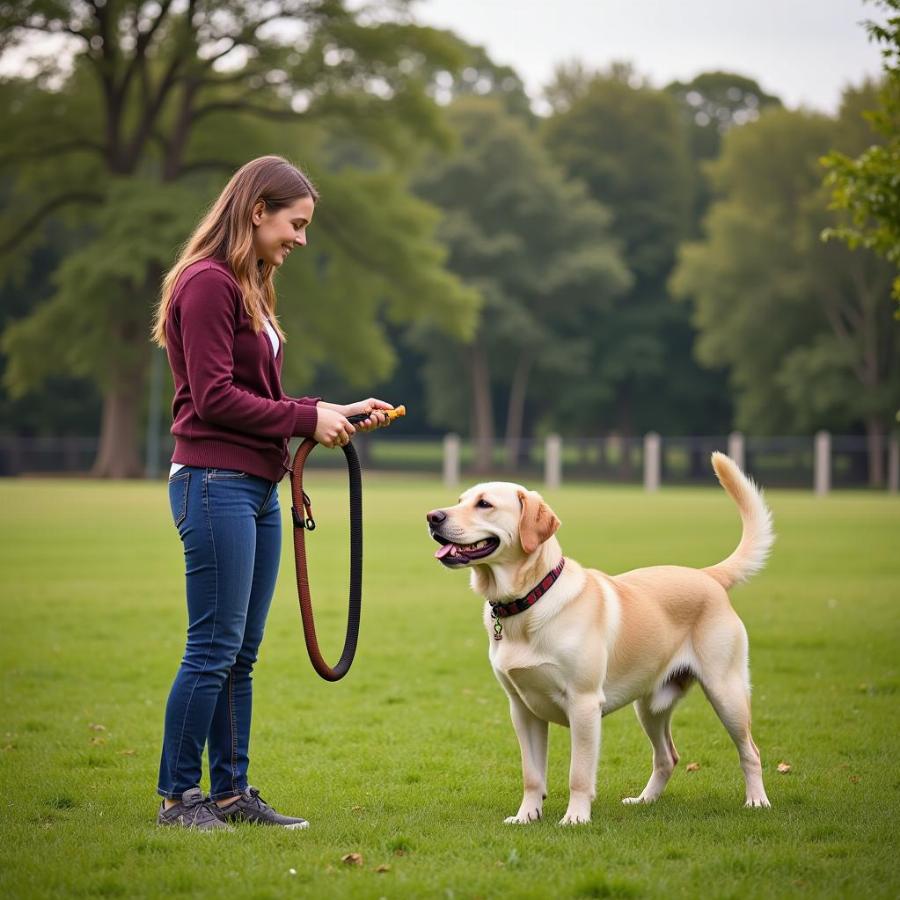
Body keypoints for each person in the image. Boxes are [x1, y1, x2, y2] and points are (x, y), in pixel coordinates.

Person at [150, 155, 392, 830]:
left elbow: (259, 397)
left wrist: (327, 409)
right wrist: (302, 419)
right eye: (296, 223)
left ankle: (231, 794)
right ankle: (179, 798)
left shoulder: (247, 287)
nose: (300, 239)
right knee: (213, 646)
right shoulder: (206, 283)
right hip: (213, 483)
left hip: (256, 486)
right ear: (258, 211)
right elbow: (213, 398)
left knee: (242, 652)